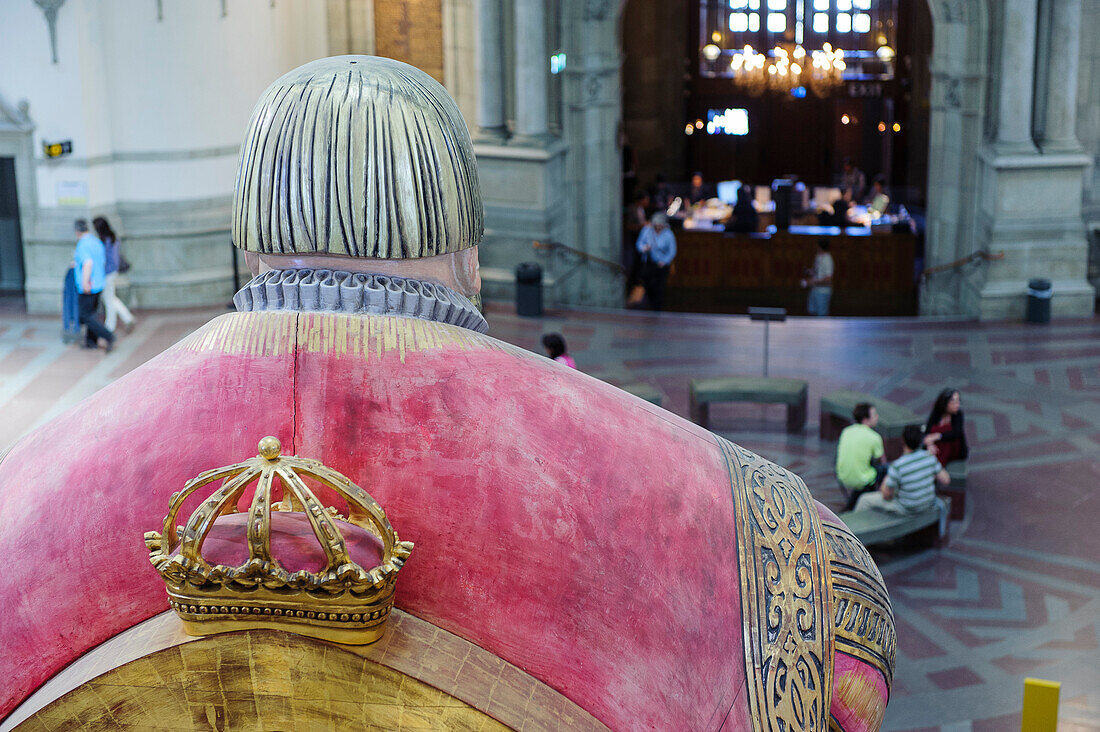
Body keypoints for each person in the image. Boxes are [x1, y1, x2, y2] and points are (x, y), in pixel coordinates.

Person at [0, 57, 893, 728]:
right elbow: (847, 663)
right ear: (472, 255)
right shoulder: (754, 525)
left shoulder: (20, 495)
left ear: (246, 246)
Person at [853, 424, 950, 537]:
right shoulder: (929, 458)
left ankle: (853, 539)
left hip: (907, 508)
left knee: (864, 499)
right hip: (927, 503)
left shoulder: (898, 466)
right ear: (920, 441)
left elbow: (886, 495)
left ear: (903, 441)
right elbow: (946, 480)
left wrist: (886, 480)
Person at [71, 218, 114, 352]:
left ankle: (108, 335)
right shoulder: (96, 241)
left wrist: (85, 282)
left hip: (89, 285)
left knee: (85, 315)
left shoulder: (83, 245)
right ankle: (91, 341)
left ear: (77, 231)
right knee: (92, 313)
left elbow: (88, 263)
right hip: (99, 282)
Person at [836, 402, 887, 511]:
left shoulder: (846, 431)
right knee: (884, 469)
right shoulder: (874, 437)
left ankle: (851, 504)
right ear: (865, 420)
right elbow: (882, 461)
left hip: (842, 476)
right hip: (862, 479)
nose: (877, 417)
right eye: (874, 415)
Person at [93, 217, 135, 334]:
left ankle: (110, 326)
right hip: (112, 272)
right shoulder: (113, 239)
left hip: (107, 273)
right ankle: (127, 317)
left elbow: (108, 260)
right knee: (110, 298)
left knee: (108, 300)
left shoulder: (106, 241)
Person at [635, 212, 676, 311]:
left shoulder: (668, 234)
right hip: (649, 264)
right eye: (656, 225)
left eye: (660, 226)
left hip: (662, 265)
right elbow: (639, 243)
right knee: (648, 285)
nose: (658, 228)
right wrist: (644, 248)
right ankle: (649, 304)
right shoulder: (647, 231)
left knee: (660, 288)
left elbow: (672, 250)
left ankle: (657, 308)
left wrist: (665, 261)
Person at [924, 388, 969, 467]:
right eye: (953, 402)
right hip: (936, 446)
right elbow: (928, 430)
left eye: (958, 401)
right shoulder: (936, 413)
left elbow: (956, 433)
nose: (957, 405)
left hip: (953, 448)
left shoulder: (958, 414)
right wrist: (929, 444)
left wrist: (938, 436)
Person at [803, 238, 834, 316]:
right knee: (812, 311)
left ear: (819, 246)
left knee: (821, 315)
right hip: (814, 289)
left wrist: (813, 281)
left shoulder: (827, 259)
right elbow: (817, 271)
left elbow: (828, 278)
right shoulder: (818, 257)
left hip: (823, 292)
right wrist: (809, 271)